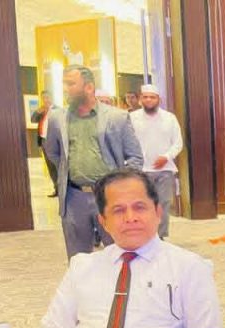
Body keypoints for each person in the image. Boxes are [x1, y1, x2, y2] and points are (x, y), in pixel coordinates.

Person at [29, 168, 224, 328]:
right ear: (103, 221)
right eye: (118, 210)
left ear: (158, 212)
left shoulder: (189, 267)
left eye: (139, 207)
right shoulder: (82, 267)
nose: (131, 218)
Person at [44, 65, 144, 259]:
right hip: (74, 199)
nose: (65, 89)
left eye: (71, 84)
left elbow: (135, 157)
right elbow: (53, 153)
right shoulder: (57, 119)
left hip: (110, 198)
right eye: (64, 84)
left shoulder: (117, 117)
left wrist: (120, 186)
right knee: (78, 261)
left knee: (120, 256)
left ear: (89, 87)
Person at [129, 84, 183, 239]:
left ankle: (160, 237)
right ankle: (143, 236)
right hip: (140, 171)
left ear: (159, 99)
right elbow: (128, 143)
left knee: (163, 204)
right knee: (141, 206)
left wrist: (166, 157)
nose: (148, 100)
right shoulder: (132, 118)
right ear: (140, 99)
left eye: (152, 97)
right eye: (145, 97)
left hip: (165, 170)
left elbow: (178, 143)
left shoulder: (169, 118)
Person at [30, 90, 61, 197]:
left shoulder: (57, 110)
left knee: (57, 166)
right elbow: (33, 120)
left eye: (47, 97)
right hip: (43, 141)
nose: (45, 100)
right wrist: (38, 111)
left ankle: (63, 189)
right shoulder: (41, 111)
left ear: (51, 98)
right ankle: (57, 189)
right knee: (50, 167)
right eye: (43, 98)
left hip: (54, 142)